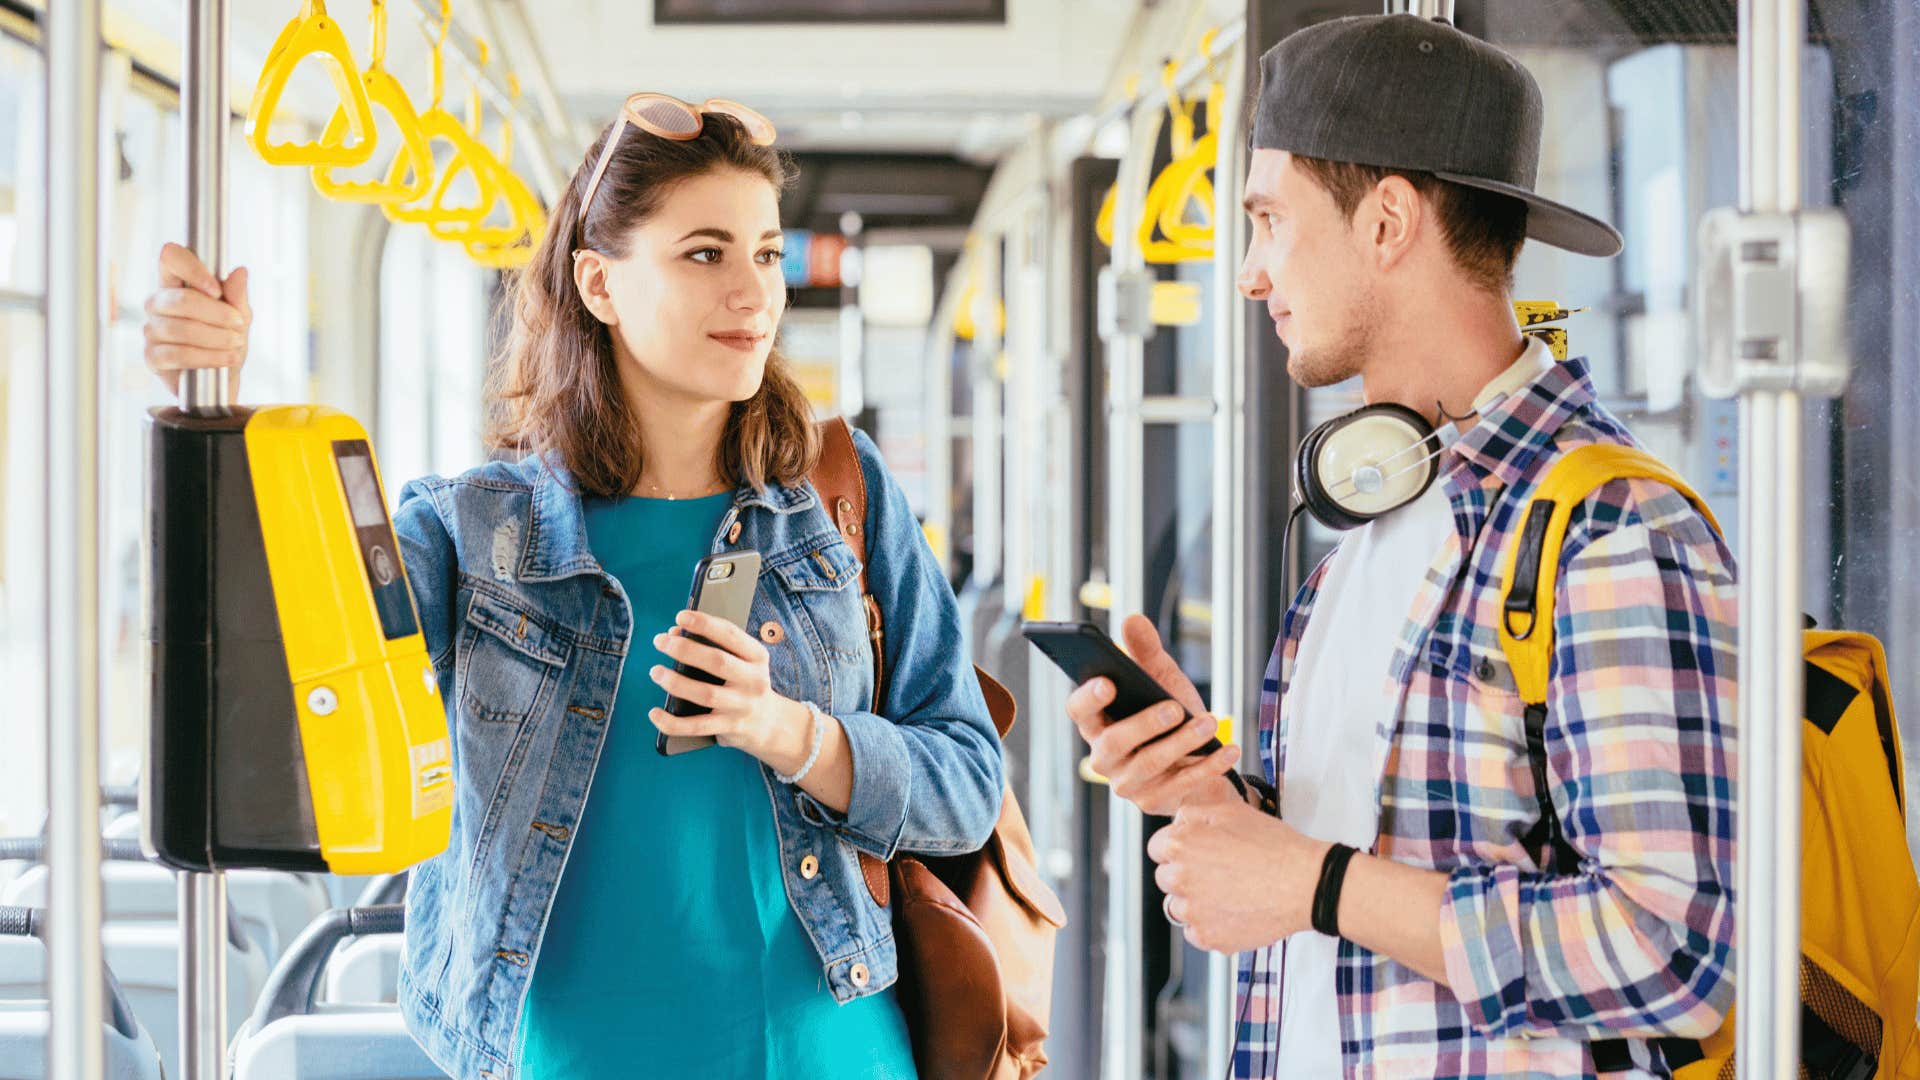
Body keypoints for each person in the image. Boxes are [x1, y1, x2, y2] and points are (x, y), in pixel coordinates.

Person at [142, 94, 1003, 1080]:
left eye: (766, 253)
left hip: (825, 1051)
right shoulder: (469, 533)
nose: (755, 294)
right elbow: (285, 673)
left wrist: (792, 734)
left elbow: (966, 788)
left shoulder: (843, 501)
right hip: (570, 1054)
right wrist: (206, 401)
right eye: (706, 254)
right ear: (599, 283)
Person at [1068, 16, 1736, 1078]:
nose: (1249, 273)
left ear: (1386, 222)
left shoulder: (1608, 532)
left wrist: (1314, 885)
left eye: (1269, 221)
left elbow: (1675, 955)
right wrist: (1210, 796)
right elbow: (1362, 857)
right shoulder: (1373, 524)